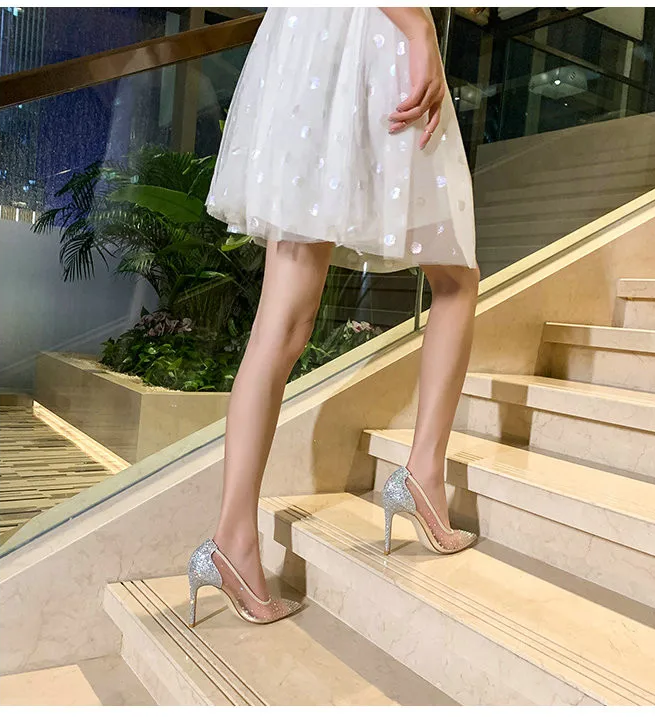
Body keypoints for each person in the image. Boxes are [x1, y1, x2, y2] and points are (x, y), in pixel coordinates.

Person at [188, 6, 480, 627]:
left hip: (308, 47)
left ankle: (231, 540)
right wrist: (420, 27)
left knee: (280, 324)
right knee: (456, 280)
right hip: (372, 40)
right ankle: (423, 474)